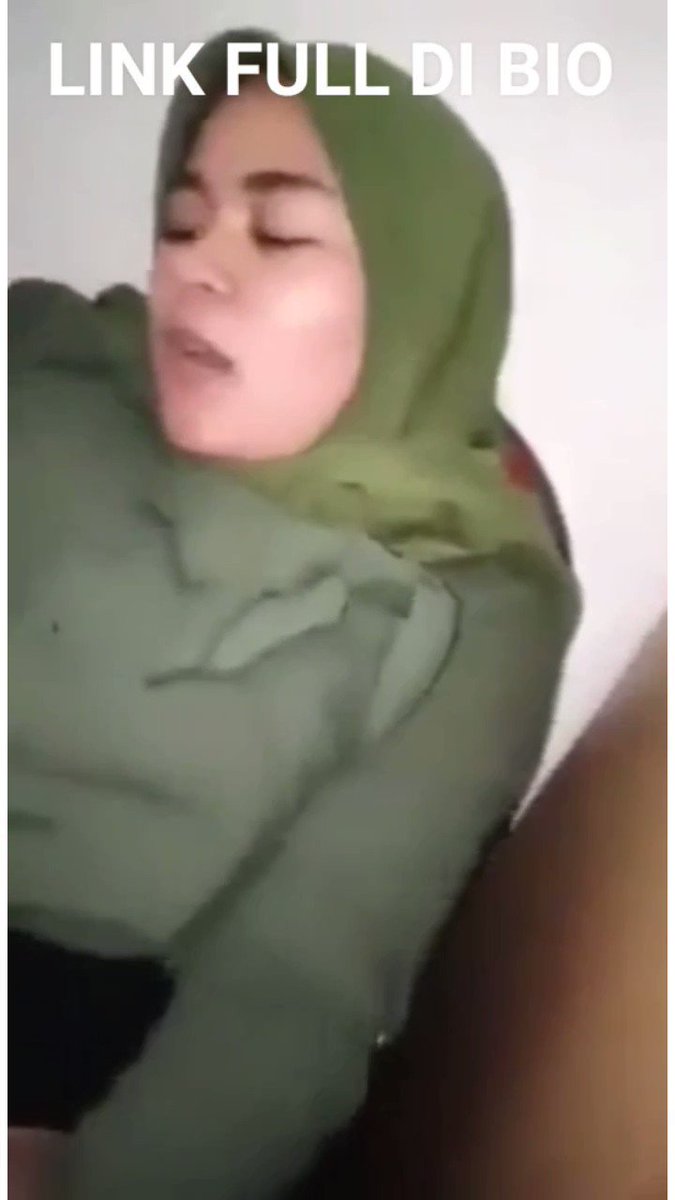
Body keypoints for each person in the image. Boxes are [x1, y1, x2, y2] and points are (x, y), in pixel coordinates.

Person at [8, 29, 579, 1200]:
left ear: (416, 292)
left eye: (278, 233)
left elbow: (299, 986)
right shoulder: (45, 371)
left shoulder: (478, 601)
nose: (196, 268)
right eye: (182, 220)